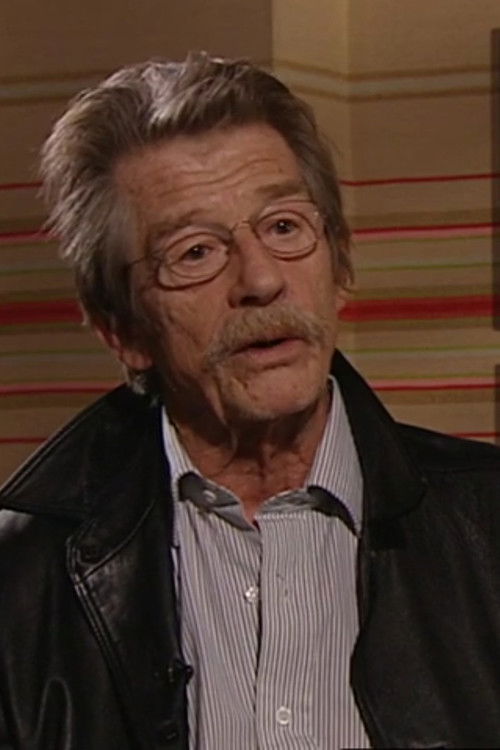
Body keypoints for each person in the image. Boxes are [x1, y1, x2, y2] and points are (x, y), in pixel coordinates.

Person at [1, 52, 500, 750]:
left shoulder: (486, 528)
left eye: (285, 227)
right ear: (123, 331)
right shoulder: (22, 580)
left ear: (340, 265)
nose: (261, 280)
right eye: (195, 253)